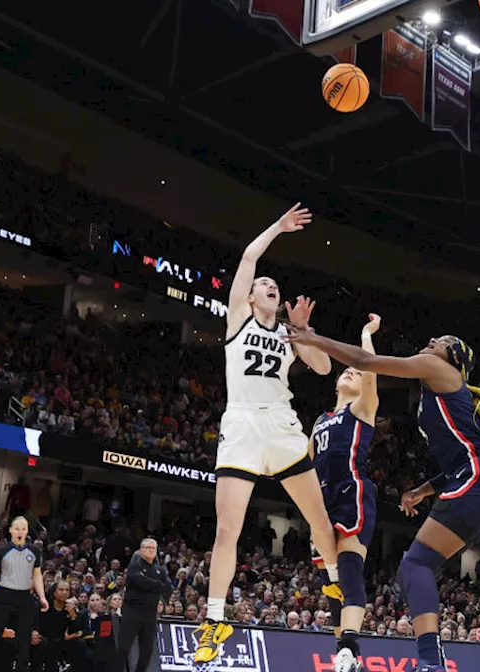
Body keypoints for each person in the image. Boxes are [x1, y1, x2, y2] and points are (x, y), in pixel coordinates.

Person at [285, 328, 480, 672]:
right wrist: (422, 490)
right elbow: (460, 458)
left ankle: (430, 663)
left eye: (445, 340)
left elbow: (367, 362)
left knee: (414, 566)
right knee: (417, 565)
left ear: (454, 356)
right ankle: (429, 661)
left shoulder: (437, 369)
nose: (435, 339)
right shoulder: (438, 391)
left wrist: (315, 340)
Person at [193, 204, 344, 665]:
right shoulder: (238, 318)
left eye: (274, 285)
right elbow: (247, 260)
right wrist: (277, 228)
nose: (269, 285)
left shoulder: (287, 333)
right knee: (227, 530)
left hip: (281, 424)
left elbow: (324, 369)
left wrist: (304, 332)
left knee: (318, 518)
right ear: (252, 296)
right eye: (264, 285)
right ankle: (215, 618)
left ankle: (336, 578)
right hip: (241, 425)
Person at [310, 313, 381, 672]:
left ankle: (350, 648)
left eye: (353, 371)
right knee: (331, 588)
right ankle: (344, 658)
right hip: (320, 503)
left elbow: (368, 370)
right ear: (336, 383)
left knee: (350, 575)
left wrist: (366, 335)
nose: (350, 373)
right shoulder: (319, 421)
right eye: (345, 371)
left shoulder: (362, 409)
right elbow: (304, 470)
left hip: (352, 493)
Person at [0, 515, 49, 672]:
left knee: (24, 640)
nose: (20, 531)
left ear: (27, 531)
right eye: (16, 528)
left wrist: (42, 597)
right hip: (4, 595)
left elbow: (37, 575)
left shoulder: (35, 551)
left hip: (25, 597)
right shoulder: (1, 551)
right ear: (10, 531)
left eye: (23, 528)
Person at [116, 538, 170, 672]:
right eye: (147, 548)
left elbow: (168, 588)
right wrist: (158, 585)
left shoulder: (160, 570)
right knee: (124, 647)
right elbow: (139, 581)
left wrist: (153, 586)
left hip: (150, 613)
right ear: (141, 550)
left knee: (147, 650)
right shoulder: (134, 566)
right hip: (132, 611)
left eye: (153, 548)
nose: (150, 550)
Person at [32, 581, 80, 672]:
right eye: (61, 590)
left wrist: (73, 615)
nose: (64, 592)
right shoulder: (44, 606)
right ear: (54, 592)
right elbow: (35, 624)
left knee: (79, 643)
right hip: (44, 639)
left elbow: (75, 631)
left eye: (67, 590)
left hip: (61, 640)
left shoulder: (69, 608)